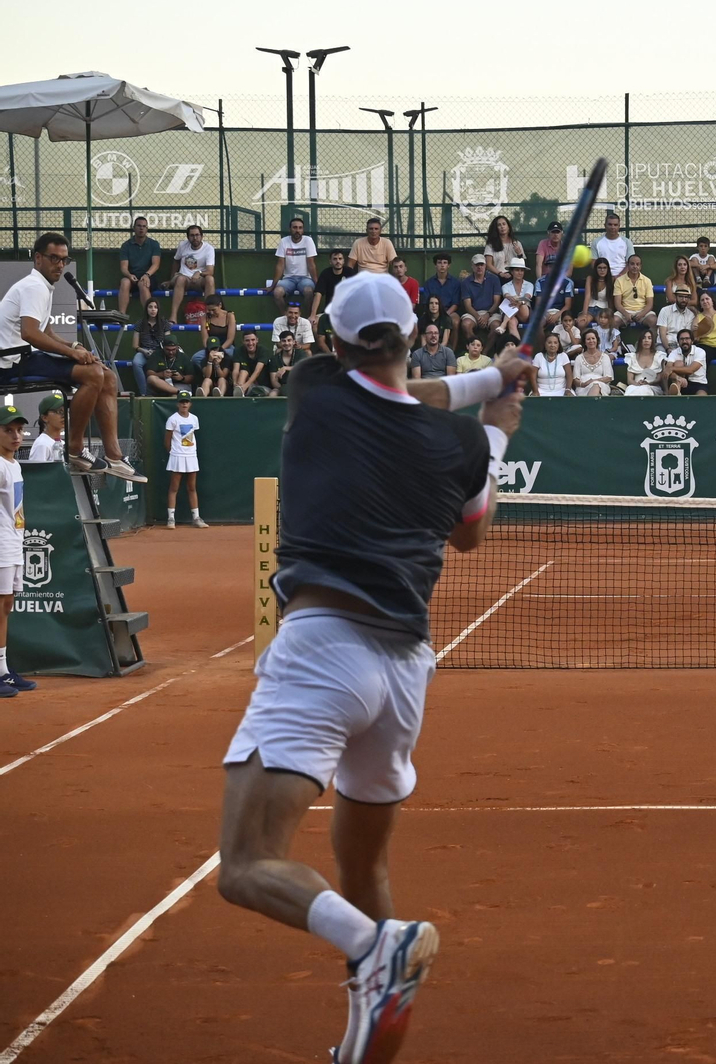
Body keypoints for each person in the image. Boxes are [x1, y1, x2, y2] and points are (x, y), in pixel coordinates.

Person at [218, 270, 527, 1064]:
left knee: (246, 864)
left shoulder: (315, 390)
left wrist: (487, 382)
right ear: (416, 331)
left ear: (333, 341)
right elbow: (471, 533)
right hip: (405, 675)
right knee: (363, 866)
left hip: (324, 652)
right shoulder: (460, 445)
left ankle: (372, 946)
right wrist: (496, 421)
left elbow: (394, 394)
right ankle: (374, 1005)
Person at [0, 233, 142, 481]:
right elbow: (30, 333)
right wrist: (72, 353)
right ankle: (75, 449)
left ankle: (114, 457)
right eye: (54, 258)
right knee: (94, 374)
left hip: (23, 358)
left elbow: (46, 331)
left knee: (107, 377)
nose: (60, 265)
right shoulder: (34, 287)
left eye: (64, 259)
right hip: (10, 364)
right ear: (38, 258)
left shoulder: (42, 285)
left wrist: (74, 345)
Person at [0, 404, 36, 695]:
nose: (16, 436)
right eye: (8, 430)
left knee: (6, 606)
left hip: (14, 542)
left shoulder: (14, 464)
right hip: (1, 544)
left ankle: (3, 670)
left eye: (19, 430)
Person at [163, 392, 206, 529]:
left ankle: (196, 518)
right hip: (177, 456)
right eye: (182, 402)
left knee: (192, 487)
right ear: (178, 404)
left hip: (191, 456)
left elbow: (192, 436)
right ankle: (171, 519)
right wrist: (174, 452)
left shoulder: (194, 419)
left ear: (190, 404)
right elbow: (167, 440)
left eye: (186, 402)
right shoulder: (172, 419)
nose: (184, 404)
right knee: (174, 488)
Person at [168, 225, 216, 322]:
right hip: (183, 277)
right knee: (180, 279)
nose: (195, 238)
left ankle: (210, 315)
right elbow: (176, 260)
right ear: (188, 237)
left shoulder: (209, 249)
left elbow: (210, 271)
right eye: (192, 235)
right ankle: (173, 317)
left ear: (202, 236)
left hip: (199, 279)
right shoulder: (182, 245)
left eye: (197, 235)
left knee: (210, 279)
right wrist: (171, 278)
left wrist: (199, 273)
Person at [118, 216, 162, 315]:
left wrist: (147, 275)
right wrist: (129, 275)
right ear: (134, 228)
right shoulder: (126, 245)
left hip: (149, 277)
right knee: (124, 282)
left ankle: (149, 317)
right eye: (139, 226)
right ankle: (121, 316)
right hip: (132, 277)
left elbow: (156, 264)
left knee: (143, 283)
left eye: (144, 226)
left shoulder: (154, 244)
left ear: (147, 229)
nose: (141, 228)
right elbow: (124, 268)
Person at [272, 217, 318, 312]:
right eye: (295, 227)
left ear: (303, 230)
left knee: (309, 292)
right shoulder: (284, 241)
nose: (298, 230)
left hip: (305, 279)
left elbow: (311, 264)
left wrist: (317, 283)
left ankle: (307, 317)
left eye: (300, 228)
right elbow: (280, 265)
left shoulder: (308, 240)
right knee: (277, 293)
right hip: (288, 279)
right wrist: (273, 285)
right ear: (290, 229)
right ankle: (285, 317)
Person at [458, 254, 505, 341]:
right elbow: (468, 305)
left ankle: (486, 349)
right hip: (473, 313)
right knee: (466, 324)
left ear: (485, 265)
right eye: (477, 265)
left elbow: (496, 302)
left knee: (496, 326)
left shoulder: (494, 279)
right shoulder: (466, 282)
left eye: (481, 264)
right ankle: (475, 345)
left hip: (491, 313)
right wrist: (478, 318)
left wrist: (487, 315)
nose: (479, 267)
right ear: (472, 266)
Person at [131, 296, 171, 396]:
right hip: (144, 351)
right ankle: (144, 393)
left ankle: (168, 391)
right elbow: (135, 345)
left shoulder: (164, 323)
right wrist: (144, 351)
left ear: (158, 309)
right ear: (146, 309)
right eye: (150, 307)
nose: (153, 309)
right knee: (136, 363)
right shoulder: (140, 323)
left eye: (155, 307)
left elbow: (169, 342)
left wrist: (159, 352)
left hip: (160, 352)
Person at [310, 250, 357, 329]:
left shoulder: (349, 272)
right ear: (330, 262)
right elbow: (318, 294)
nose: (338, 261)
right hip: (329, 311)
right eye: (335, 259)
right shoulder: (325, 273)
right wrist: (313, 315)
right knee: (314, 324)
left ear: (343, 261)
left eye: (340, 259)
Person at [420, 254, 462, 338]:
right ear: (435, 265)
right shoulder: (428, 283)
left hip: (449, 311)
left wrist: (445, 314)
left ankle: (451, 347)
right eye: (439, 263)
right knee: (423, 320)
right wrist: (435, 313)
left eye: (445, 263)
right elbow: (426, 302)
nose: (442, 265)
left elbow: (455, 304)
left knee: (455, 322)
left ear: (449, 265)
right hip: (433, 311)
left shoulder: (455, 283)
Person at [613, 255, 657, 334]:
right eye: (632, 264)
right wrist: (626, 314)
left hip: (642, 311)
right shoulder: (619, 281)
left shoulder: (647, 281)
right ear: (628, 265)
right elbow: (617, 303)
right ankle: (617, 342)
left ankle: (650, 342)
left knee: (654, 321)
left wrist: (641, 314)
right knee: (614, 321)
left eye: (637, 264)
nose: (635, 266)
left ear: (640, 266)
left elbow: (650, 304)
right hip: (625, 311)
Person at [525, 258, 569, 332]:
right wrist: (547, 315)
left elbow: (568, 305)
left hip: (560, 312)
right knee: (539, 323)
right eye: (550, 266)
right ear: (547, 268)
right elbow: (539, 304)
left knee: (566, 321)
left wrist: (556, 315)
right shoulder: (540, 281)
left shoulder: (567, 282)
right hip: (544, 311)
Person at [664, 328, 710, 395]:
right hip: (681, 382)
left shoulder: (700, 351)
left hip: (699, 383)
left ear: (692, 341)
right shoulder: (674, 353)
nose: (684, 341)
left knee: (701, 397)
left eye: (687, 338)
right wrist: (678, 377)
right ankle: (676, 393)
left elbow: (691, 370)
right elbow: (667, 370)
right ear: (678, 342)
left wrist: (672, 368)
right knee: (678, 363)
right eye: (682, 339)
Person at [651, 285, 695, 354]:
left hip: (681, 346)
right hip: (664, 345)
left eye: (686, 297)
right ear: (676, 297)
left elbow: (686, 336)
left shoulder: (690, 315)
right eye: (681, 296)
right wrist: (667, 349)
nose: (684, 300)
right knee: (660, 356)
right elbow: (662, 334)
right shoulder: (665, 310)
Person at [27, 393, 67, 464]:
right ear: (44, 418)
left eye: (65, 411)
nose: (63, 415)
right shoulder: (42, 444)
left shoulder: (62, 443)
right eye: (59, 411)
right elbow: (37, 470)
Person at [571, 330, 615, 396]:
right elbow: (575, 380)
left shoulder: (605, 357)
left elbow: (608, 378)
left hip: (601, 385)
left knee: (596, 385)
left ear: (597, 340)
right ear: (584, 342)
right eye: (588, 339)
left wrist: (593, 381)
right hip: (583, 387)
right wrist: (584, 384)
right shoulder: (579, 358)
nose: (591, 341)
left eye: (593, 338)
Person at [532, 331, 573, 397]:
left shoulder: (563, 356)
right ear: (545, 345)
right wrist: (535, 391)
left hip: (561, 390)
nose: (552, 345)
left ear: (558, 345)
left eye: (555, 343)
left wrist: (568, 390)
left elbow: (569, 375)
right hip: (541, 391)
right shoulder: (538, 356)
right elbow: (532, 376)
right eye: (549, 343)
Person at [482, 216, 524, 281]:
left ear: (508, 227)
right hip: (496, 276)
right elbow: (488, 265)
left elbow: (522, 265)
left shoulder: (517, 243)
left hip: (513, 277)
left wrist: (519, 254)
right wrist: (500, 273)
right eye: (499, 225)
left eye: (504, 224)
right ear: (496, 228)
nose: (502, 227)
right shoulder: (491, 245)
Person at [593, 212, 634, 277]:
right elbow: (594, 264)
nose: (612, 227)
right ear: (605, 225)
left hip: (623, 278)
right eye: (610, 224)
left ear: (619, 226)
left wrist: (619, 277)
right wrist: (606, 278)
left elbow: (630, 264)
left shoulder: (627, 242)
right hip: (603, 278)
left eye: (615, 225)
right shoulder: (596, 242)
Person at [582, 257, 616, 329]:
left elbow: (610, 299)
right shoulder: (590, 278)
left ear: (608, 269)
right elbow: (587, 296)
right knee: (581, 323)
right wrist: (584, 314)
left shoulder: (612, 279)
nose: (602, 270)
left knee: (604, 324)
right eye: (599, 268)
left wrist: (611, 314)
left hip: (603, 309)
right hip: (590, 308)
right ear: (596, 269)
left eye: (604, 268)